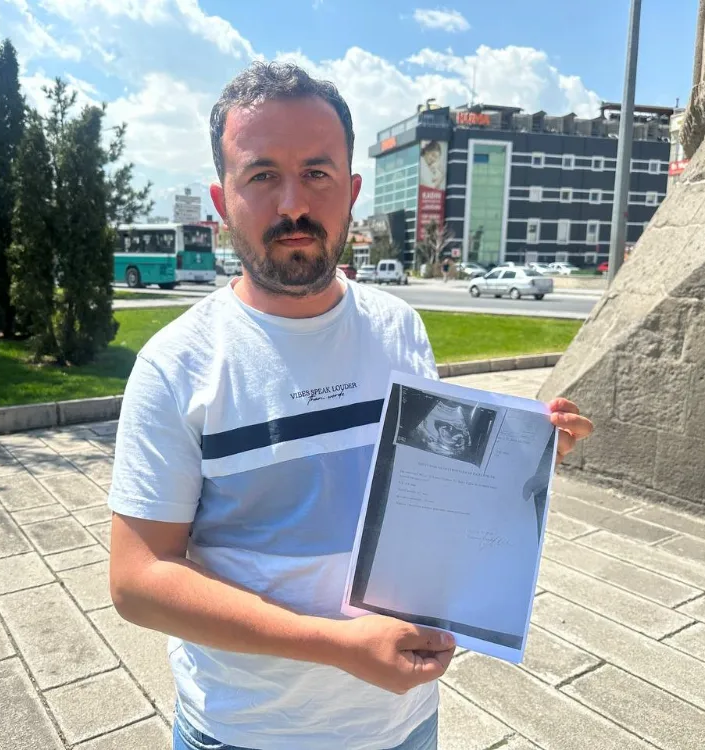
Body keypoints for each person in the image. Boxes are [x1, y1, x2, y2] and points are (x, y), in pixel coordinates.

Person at [107, 61, 593, 750]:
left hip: (402, 724)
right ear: (221, 200)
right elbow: (137, 579)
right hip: (247, 732)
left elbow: (429, 494)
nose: (292, 204)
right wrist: (335, 645)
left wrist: (519, 459)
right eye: (262, 175)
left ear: (353, 191)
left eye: (317, 172)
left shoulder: (400, 330)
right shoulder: (176, 364)